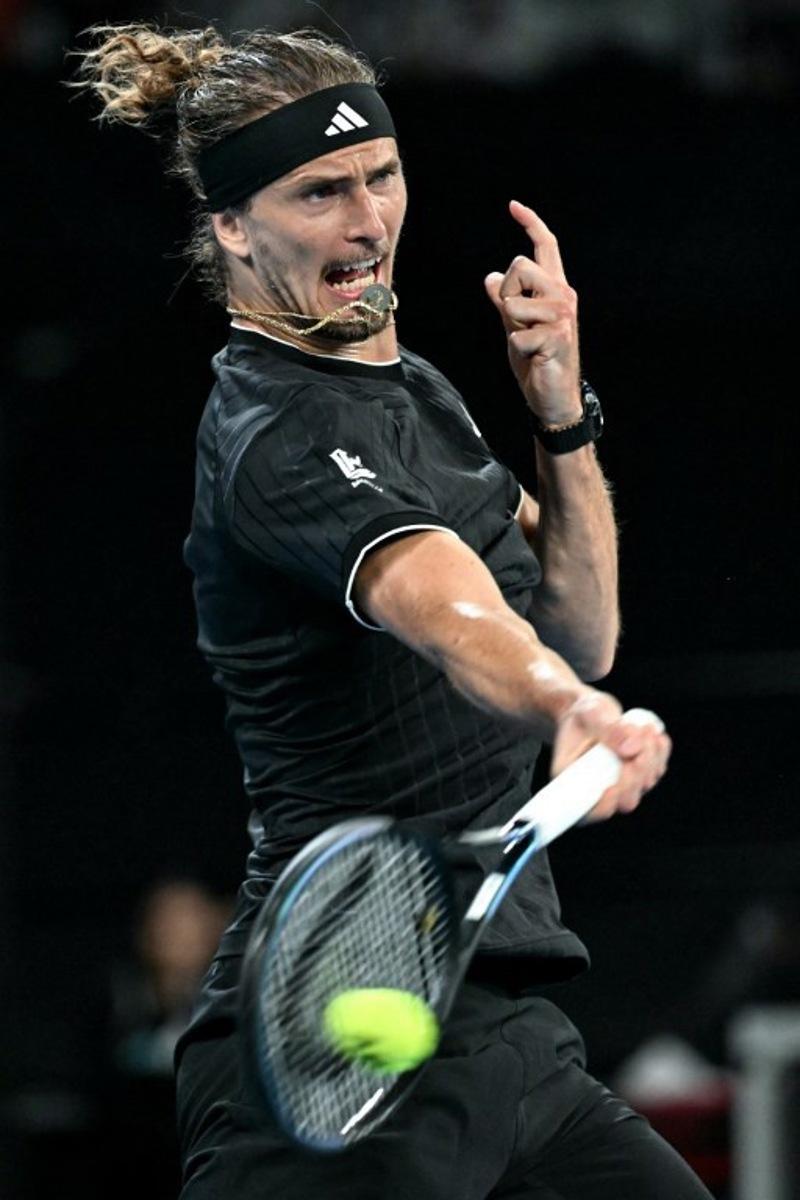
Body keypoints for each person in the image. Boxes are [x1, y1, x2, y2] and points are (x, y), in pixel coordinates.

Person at [74, 23, 711, 1200]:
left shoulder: (415, 392)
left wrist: (560, 416)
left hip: (506, 1030)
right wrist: (565, 705)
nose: (366, 222)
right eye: (319, 192)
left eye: (381, 176)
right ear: (229, 228)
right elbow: (444, 606)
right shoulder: (278, 436)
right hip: (335, 1027)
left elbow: (577, 627)